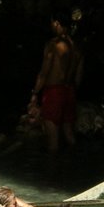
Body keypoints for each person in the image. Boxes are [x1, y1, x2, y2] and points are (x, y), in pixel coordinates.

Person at [31, 11, 83, 153]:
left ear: (57, 23)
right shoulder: (76, 46)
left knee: (53, 144)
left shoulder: (53, 45)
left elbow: (44, 72)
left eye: (52, 22)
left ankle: (51, 173)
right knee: (70, 136)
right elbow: (78, 76)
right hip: (70, 91)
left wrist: (35, 93)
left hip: (54, 92)